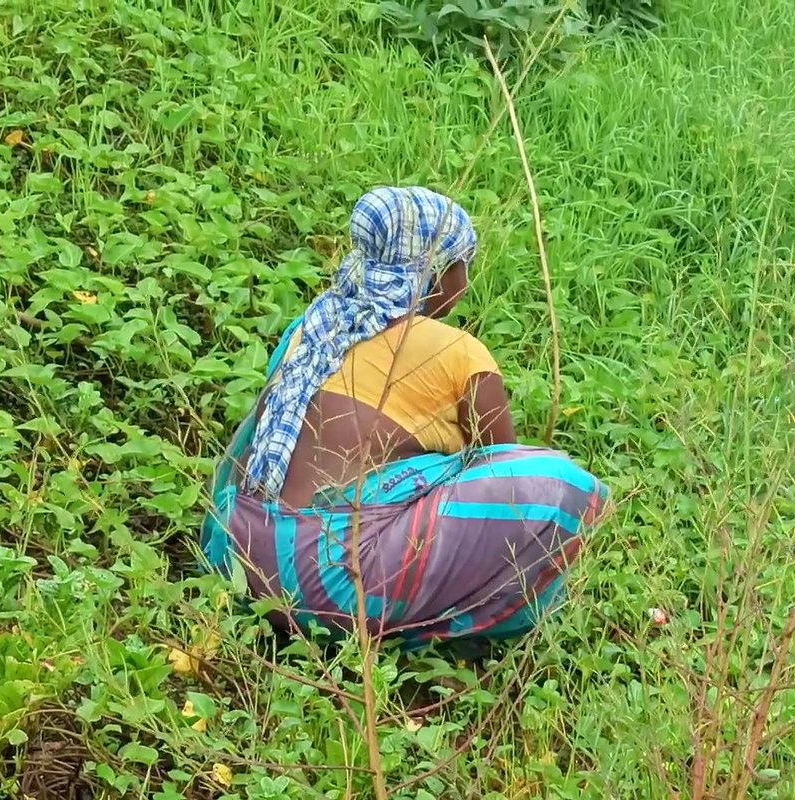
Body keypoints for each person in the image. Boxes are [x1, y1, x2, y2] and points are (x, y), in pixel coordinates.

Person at [201, 186, 609, 649]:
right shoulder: (459, 351)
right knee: (554, 484)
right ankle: (466, 639)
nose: (466, 282)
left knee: (418, 468)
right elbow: (503, 463)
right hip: (329, 588)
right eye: (462, 266)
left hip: (238, 559)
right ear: (436, 275)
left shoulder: (314, 327)